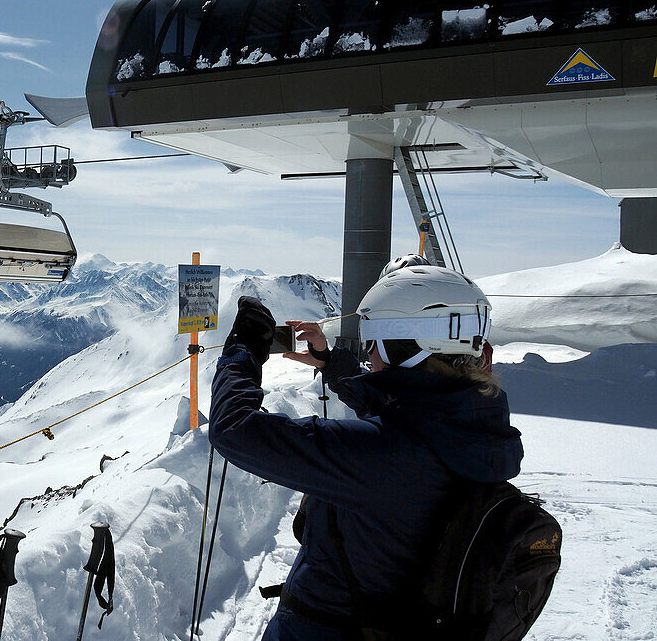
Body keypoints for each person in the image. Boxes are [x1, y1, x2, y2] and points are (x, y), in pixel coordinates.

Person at [208, 265, 522, 640]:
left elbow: (235, 428)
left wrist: (241, 354)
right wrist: (332, 362)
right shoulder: (474, 428)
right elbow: (408, 416)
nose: (369, 355)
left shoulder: (379, 455)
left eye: (373, 342)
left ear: (402, 344)